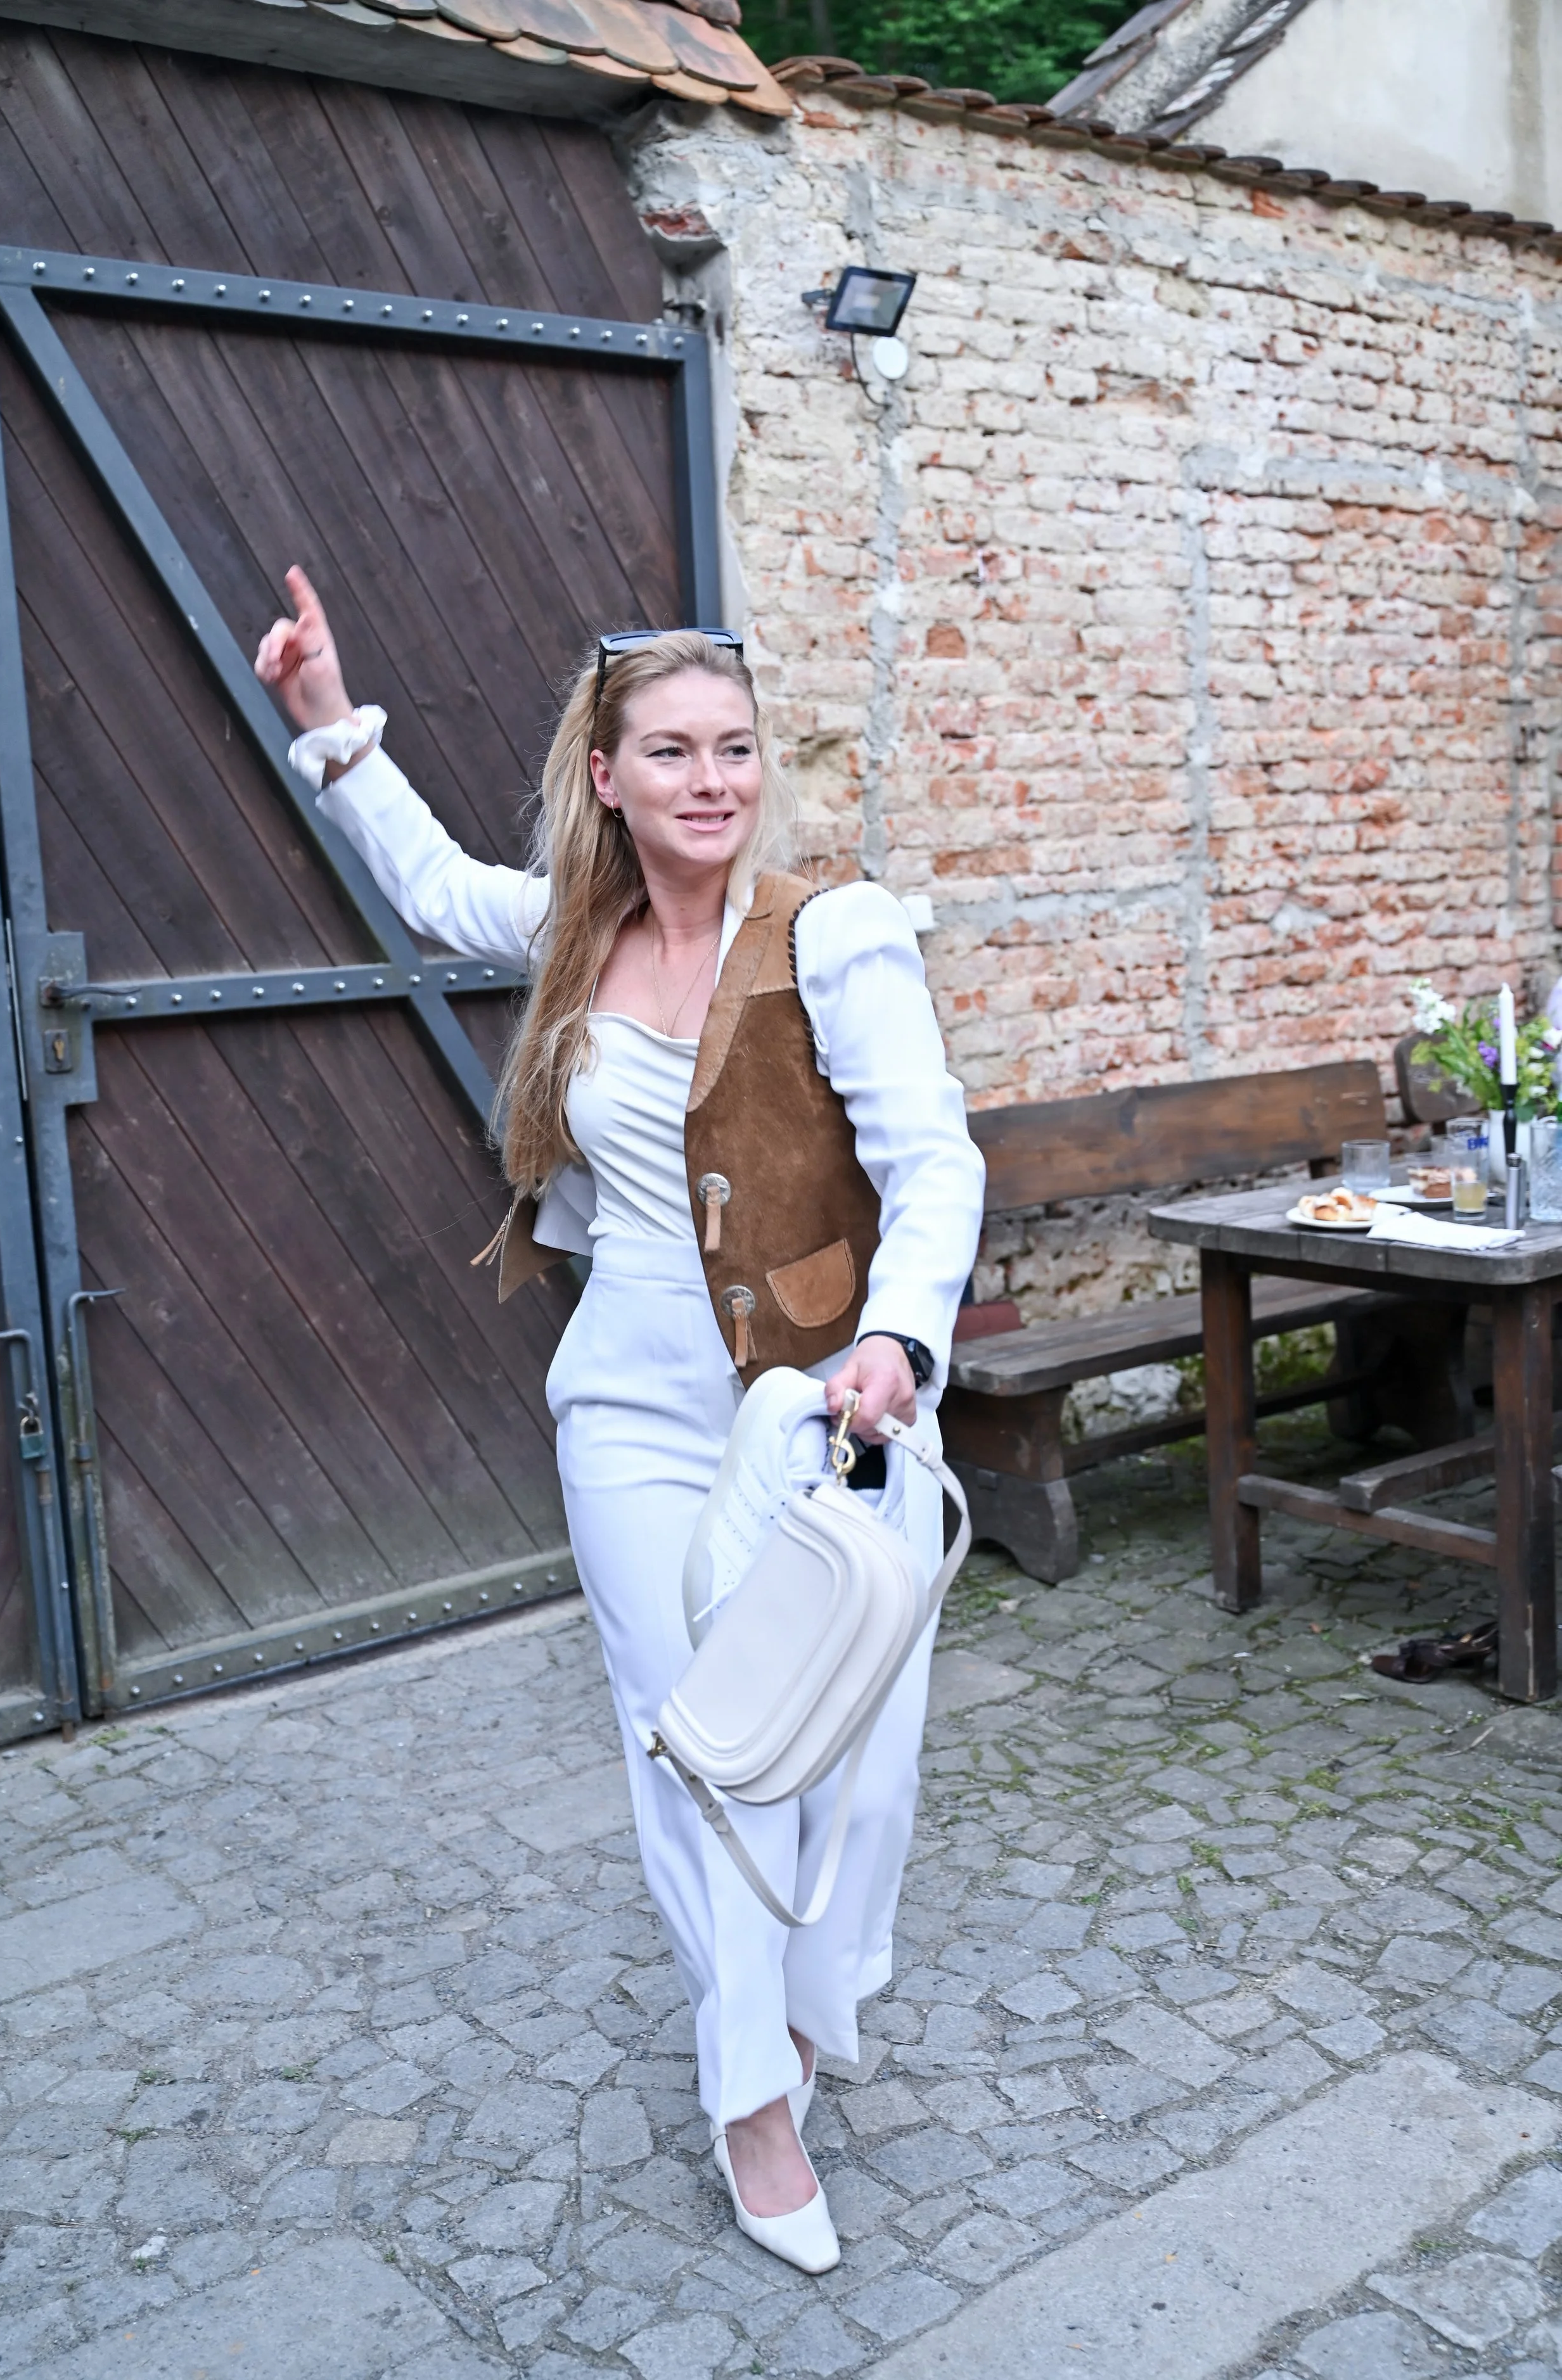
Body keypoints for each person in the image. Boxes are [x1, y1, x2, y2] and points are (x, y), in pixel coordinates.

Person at [255, 571, 985, 2272]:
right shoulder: (576, 940)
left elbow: (933, 1163)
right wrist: (326, 717)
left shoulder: (832, 934)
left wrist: (895, 1340)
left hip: (827, 1403)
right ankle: (748, 2096)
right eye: (671, 750)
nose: (711, 778)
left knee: (854, 1772)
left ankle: (804, 2008)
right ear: (608, 773)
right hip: (632, 1417)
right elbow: (435, 890)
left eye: (733, 748)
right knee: (702, 1754)